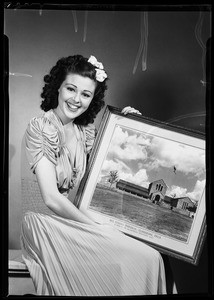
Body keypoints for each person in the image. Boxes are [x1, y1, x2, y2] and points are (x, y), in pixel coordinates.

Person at [20, 54, 166, 296]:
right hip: (46, 224)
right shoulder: (41, 127)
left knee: (151, 255)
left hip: (77, 221)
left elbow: (113, 168)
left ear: (92, 99)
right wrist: (98, 229)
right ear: (57, 86)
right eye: (71, 89)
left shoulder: (85, 132)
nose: (76, 99)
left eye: (86, 94)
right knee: (143, 257)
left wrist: (128, 127)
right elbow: (51, 199)